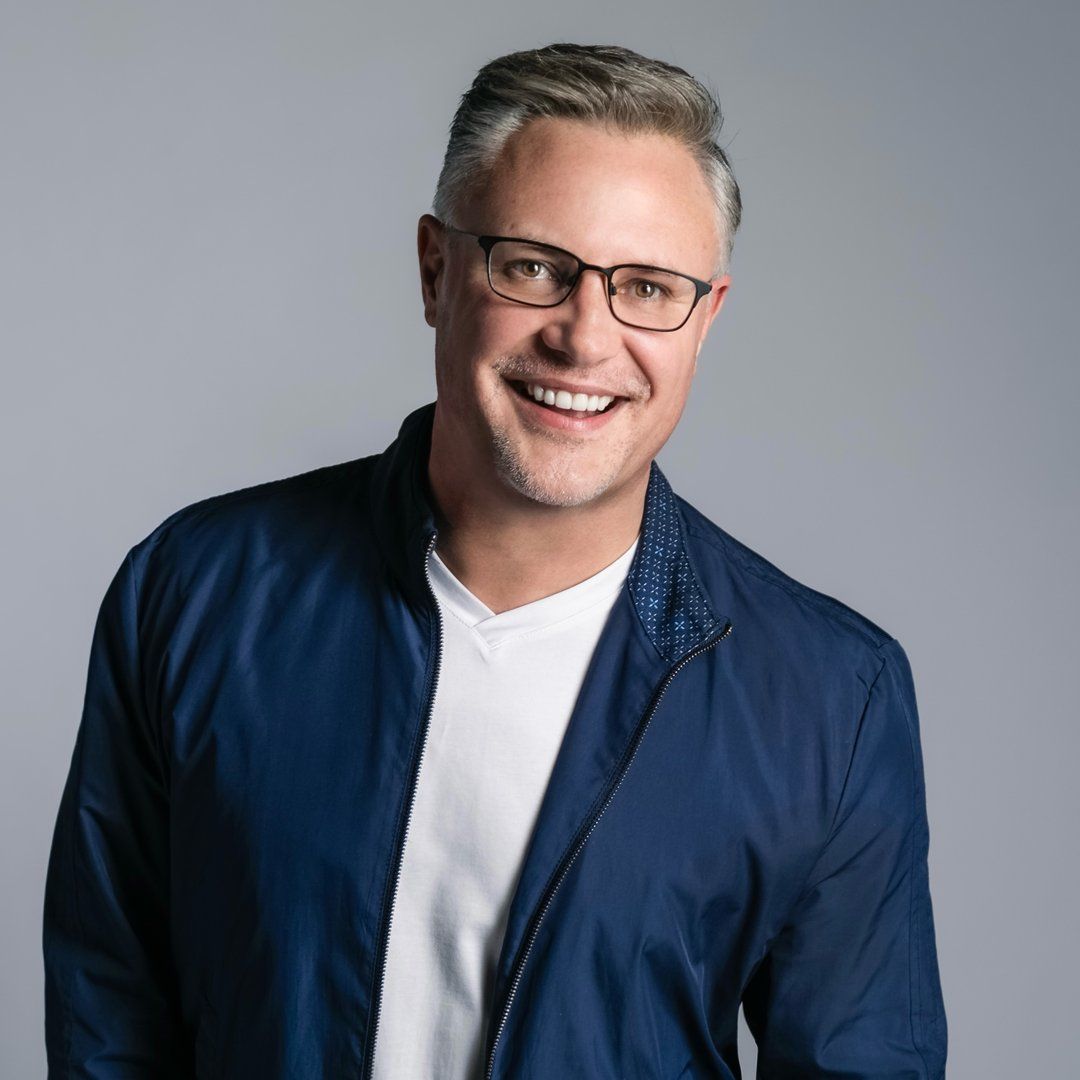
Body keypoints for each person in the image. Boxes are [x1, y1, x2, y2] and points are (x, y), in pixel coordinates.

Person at [43, 42, 947, 1079]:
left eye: (649, 287)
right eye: (532, 267)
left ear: (706, 319)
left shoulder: (829, 698)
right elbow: (110, 1021)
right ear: (436, 270)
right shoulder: (196, 593)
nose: (584, 338)